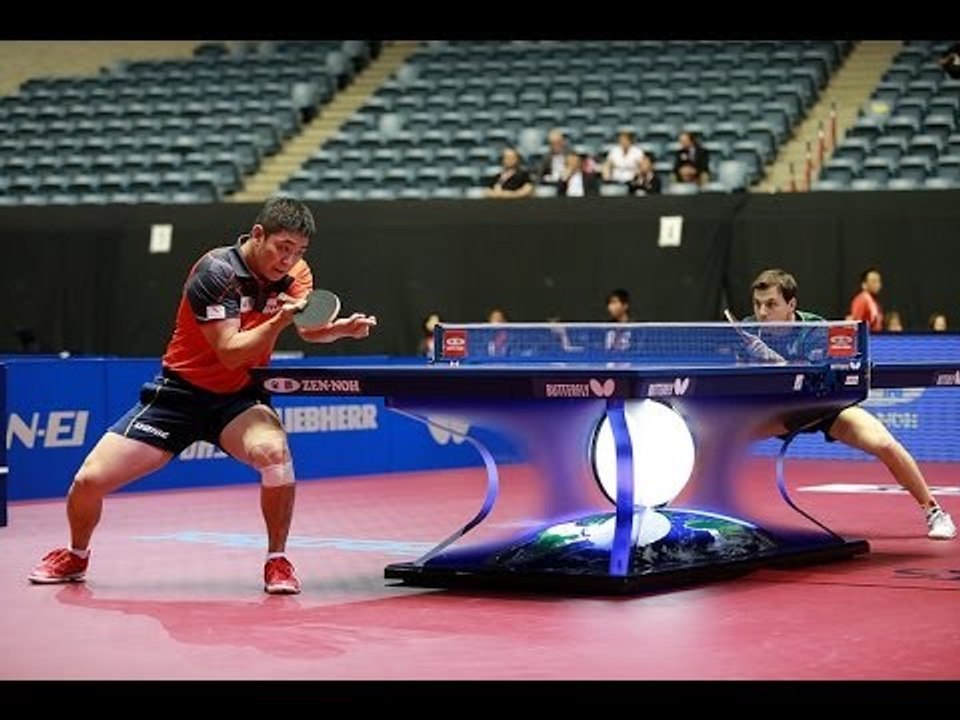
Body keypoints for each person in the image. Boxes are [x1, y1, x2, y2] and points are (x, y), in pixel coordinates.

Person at [28, 197, 379, 592]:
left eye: (299, 251)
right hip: (178, 395)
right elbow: (230, 352)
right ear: (258, 234)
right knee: (88, 480)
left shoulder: (296, 272)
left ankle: (276, 561)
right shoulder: (216, 273)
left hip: (239, 400)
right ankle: (76, 555)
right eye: (283, 248)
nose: (289, 259)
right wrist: (277, 321)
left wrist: (339, 330)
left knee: (275, 456)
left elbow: (307, 328)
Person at [745, 268, 955, 540]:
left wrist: (773, 361)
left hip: (825, 408)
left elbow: (812, 380)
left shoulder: (815, 331)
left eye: (771, 304)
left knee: (885, 444)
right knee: (714, 438)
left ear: (791, 305)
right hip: (780, 412)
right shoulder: (747, 331)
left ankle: (935, 512)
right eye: (758, 304)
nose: (762, 313)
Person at [848, 267, 884, 332]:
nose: (877, 285)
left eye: (878, 281)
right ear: (864, 284)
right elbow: (857, 324)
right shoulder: (862, 300)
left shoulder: (874, 301)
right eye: (873, 281)